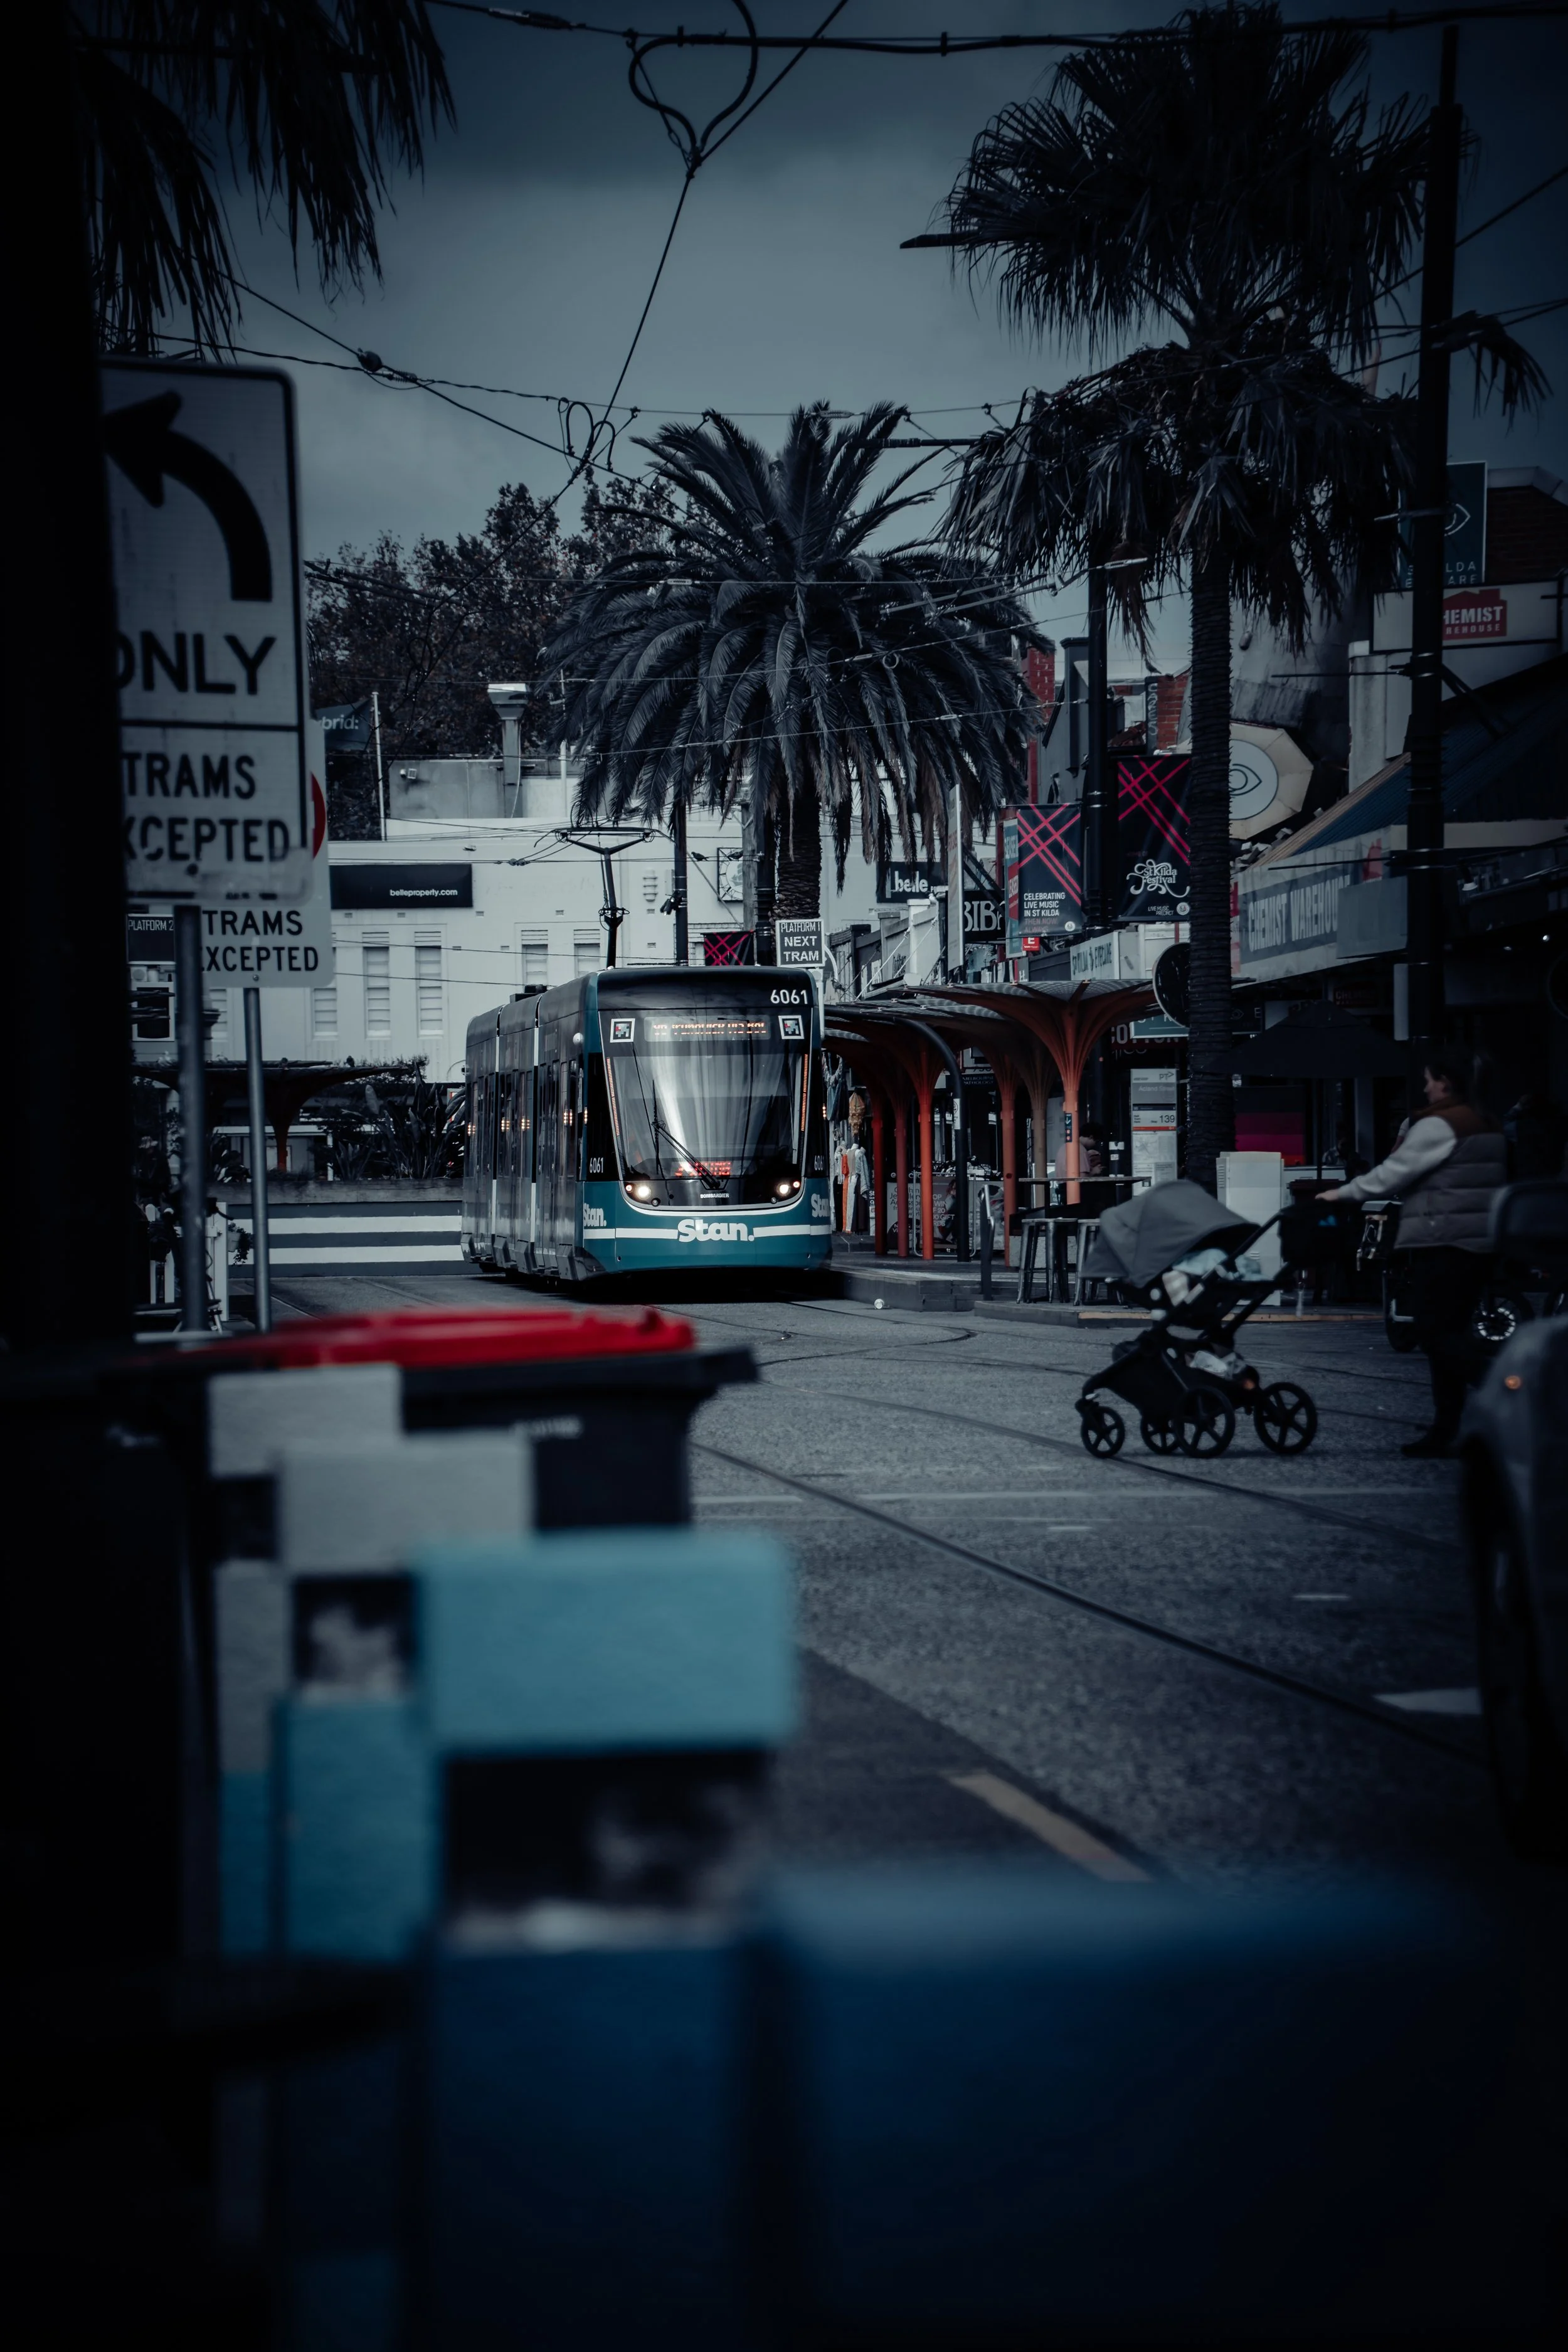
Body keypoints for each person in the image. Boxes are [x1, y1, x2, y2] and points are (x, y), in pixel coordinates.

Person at [1318, 1052, 1507, 1457]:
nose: (1425, 1088)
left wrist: (1341, 1193)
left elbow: (1392, 1174)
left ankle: (1504, 1387)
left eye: (1430, 1080)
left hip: (1442, 1239)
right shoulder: (1488, 1123)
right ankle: (1448, 1429)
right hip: (1478, 1241)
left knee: (1435, 1333)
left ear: (1447, 1082)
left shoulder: (1441, 1124)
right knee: (1449, 1332)